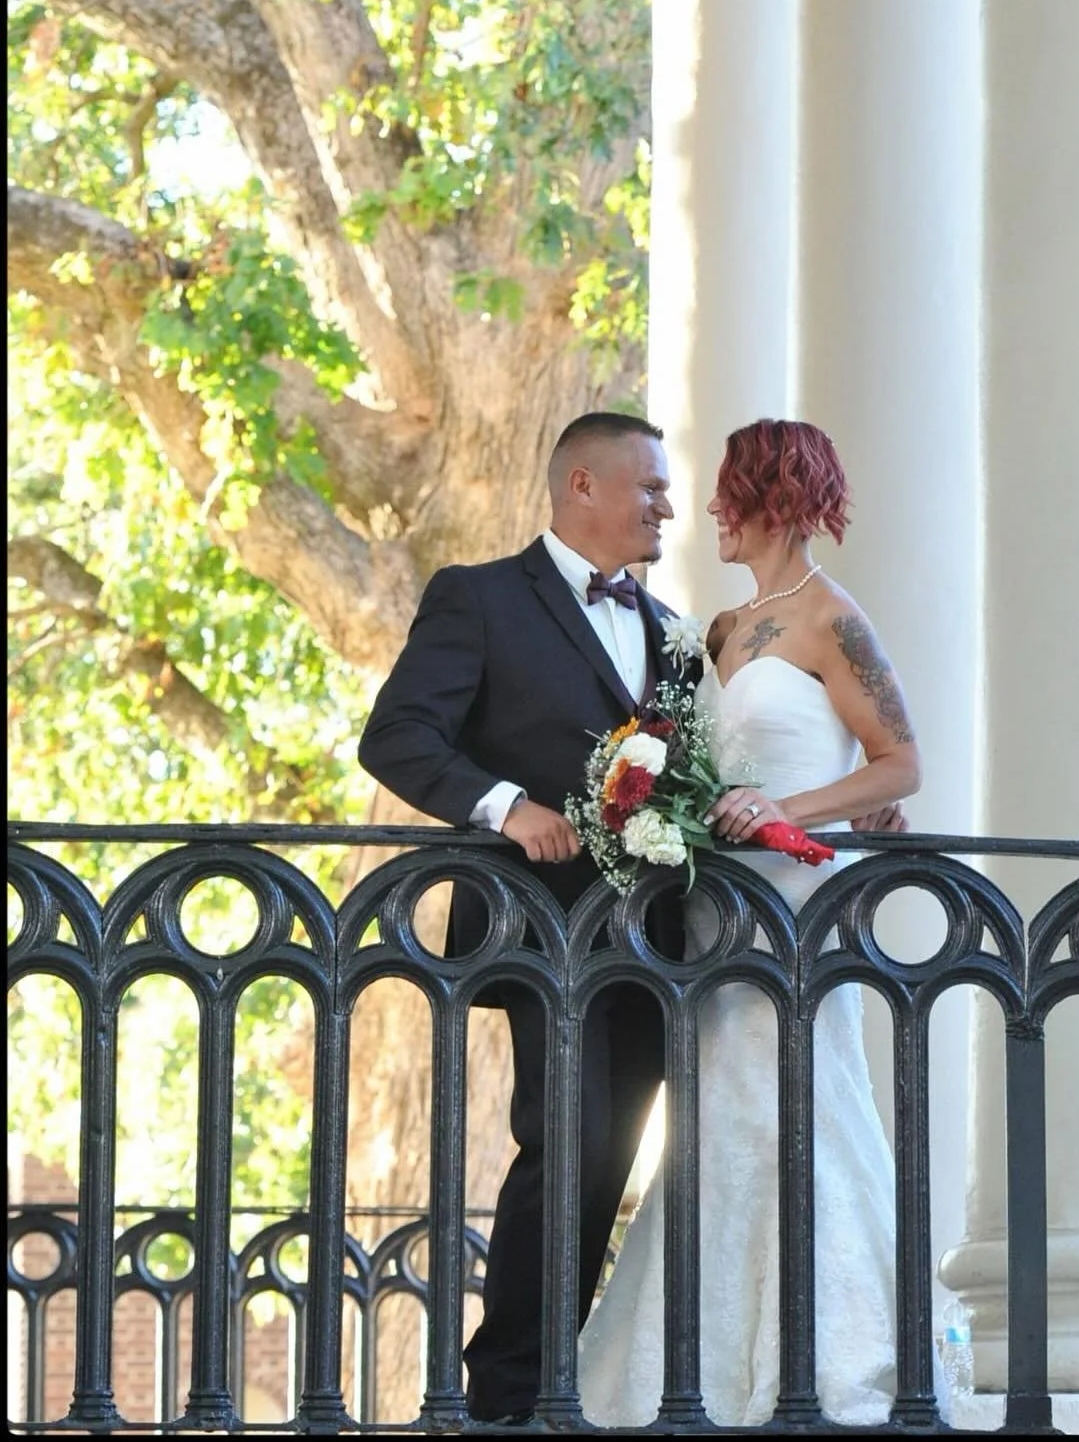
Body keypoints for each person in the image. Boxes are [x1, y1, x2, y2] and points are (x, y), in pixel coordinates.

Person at [576, 417, 933, 1428]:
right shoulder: (720, 632)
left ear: (769, 494)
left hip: (796, 900)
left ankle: (835, 1358)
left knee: (804, 1105)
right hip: (710, 908)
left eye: (725, 492)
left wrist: (791, 814)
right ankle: (696, 1362)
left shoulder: (832, 620)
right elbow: (686, 755)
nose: (709, 514)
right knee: (714, 1117)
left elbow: (899, 765)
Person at [357, 411, 698, 1425]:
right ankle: (508, 1386)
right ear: (580, 487)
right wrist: (508, 807)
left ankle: (562, 1367)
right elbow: (399, 737)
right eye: (649, 488)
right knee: (568, 1138)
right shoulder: (479, 598)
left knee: (617, 1149)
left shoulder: (673, 630)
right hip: (535, 929)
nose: (666, 507)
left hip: (650, 937)